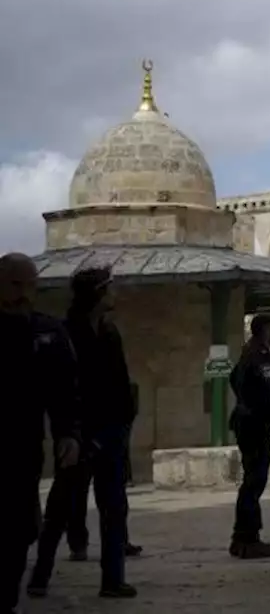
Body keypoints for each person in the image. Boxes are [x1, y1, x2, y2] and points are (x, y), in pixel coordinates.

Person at [28, 266, 137, 601]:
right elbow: (63, 387)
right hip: (79, 434)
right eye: (110, 288)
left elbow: (118, 382)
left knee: (114, 508)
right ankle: (39, 576)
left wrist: (122, 423)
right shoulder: (66, 333)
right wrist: (74, 432)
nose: (115, 295)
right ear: (98, 293)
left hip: (112, 432)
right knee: (61, 506)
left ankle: (112, 579)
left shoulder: (109, 332)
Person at [2, 253, 80, 614]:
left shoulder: (46, 332)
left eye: (29, 286)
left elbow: (63, 391)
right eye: (14, 284)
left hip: (22, 449)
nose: (22, 294)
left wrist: (68, 434)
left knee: (20, 529)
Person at [228, 314, 270, 559]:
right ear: (264, 329)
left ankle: (248, 536)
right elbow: (265, 393)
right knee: (253, 481)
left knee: (255, 481)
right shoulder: (255, 355)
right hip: (252, 424)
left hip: (255, 422)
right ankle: (245, 538)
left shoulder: (259, 351)